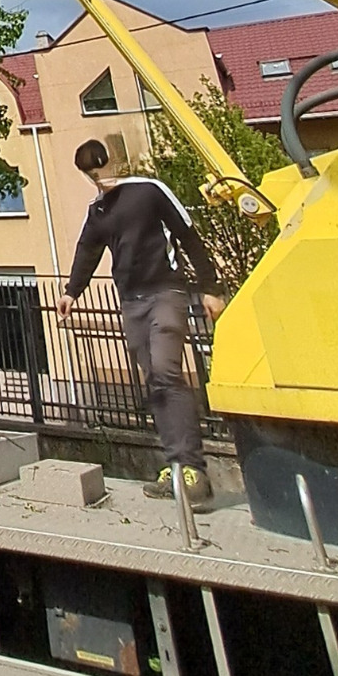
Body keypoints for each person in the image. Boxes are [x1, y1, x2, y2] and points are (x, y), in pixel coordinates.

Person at [58, 138, 226, 506]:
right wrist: (72, 291)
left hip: (166, 292)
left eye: (99, 169)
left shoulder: (149, 191)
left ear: (113, 162)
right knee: (155, 381)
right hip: (130, 301)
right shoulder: (99, 210)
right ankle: (176, 466)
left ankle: (193, 471)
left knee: (166, 371)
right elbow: (88, 250)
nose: (97, 178)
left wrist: (211, 288)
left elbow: (187, 233)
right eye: (90, 174)